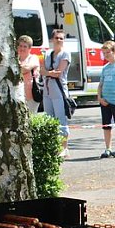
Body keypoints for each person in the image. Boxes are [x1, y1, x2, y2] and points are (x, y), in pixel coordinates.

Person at [42, 29, 72, 157]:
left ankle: (64, 148)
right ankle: (53, 147)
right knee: (49, 118)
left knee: (61, 119)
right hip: (47, 89)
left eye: (61, 38)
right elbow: (42, 70)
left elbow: (58, 73)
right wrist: (49, 73)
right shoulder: (47, 53)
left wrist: (48, 73)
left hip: (59, 90)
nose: (59, 40)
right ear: (52, 39)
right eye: (56, 38)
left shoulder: (65, 54)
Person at [17, 35, 41, 114]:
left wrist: (16, 68)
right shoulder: (15, 59)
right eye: (20, 46)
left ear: (30, 48)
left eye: (25, 46)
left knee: (31, 117)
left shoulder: (33, 58)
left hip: (31, 96)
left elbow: (25, 69)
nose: (22, 48)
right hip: (18, 96)